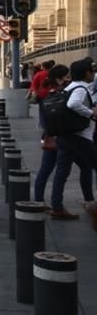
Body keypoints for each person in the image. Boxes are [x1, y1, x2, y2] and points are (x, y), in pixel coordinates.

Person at [34, 64, 81, 219]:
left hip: (49, 136)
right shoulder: (62, 95)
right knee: (62, 173)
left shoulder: (46, 94)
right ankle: (57, 207)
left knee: (45, 170)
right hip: (61, 138)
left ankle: (39, 201)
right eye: (67, 77)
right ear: (59, 79)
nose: (69, 79)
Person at [52, 59, 97, 221]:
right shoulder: (81, 88)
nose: (93, 73)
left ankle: (59, 207)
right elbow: (73, 104)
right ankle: (90, 203)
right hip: (79, 136)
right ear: (87, 73)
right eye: (92, 71)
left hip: (65, 135)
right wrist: (91, 113)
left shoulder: (69, 86)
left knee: (66, 172)